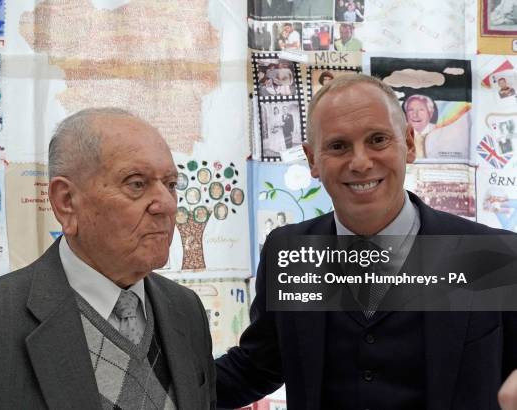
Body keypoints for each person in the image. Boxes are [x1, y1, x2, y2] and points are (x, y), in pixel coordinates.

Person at [215, 74, 517, 409]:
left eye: (377, 140)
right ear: (313, 159)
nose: (360, 162)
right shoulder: (291, 253)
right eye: (338, 146)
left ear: (410, 144)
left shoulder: (489, 256)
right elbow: (256, 367)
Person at [0, 108, 216, 409]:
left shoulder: (185, 310)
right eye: (136, 183)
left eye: (171, 184)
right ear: (66, 202)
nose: (166, 204)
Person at [404, 94, 436, 159]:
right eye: (411, 110)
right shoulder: (398, 133)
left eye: (421, 110)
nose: (415, 115)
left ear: (431, 113)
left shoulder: (441, 132)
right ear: (406, 113)